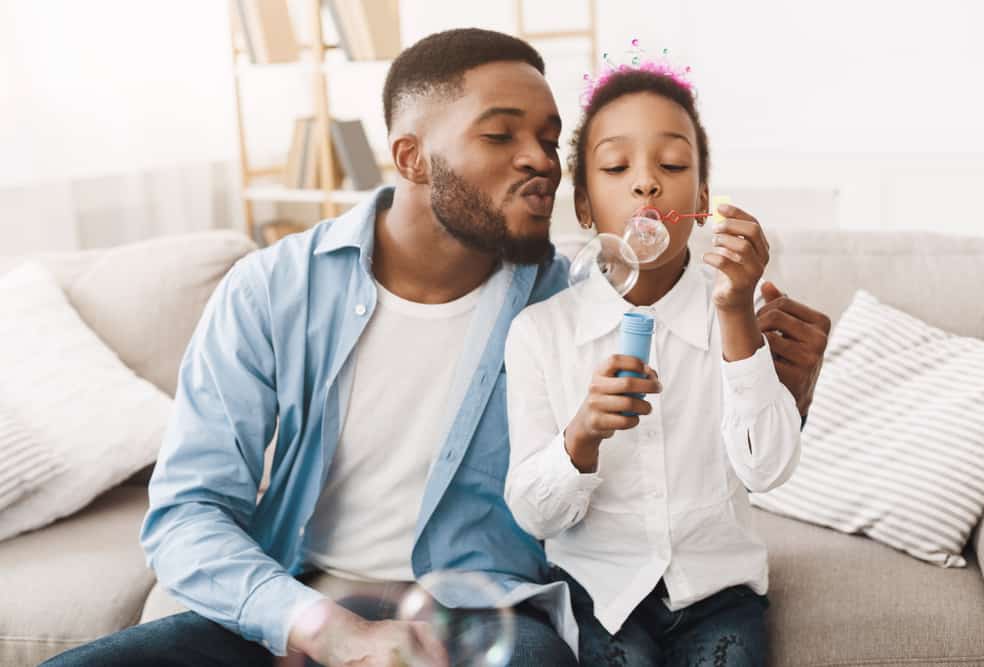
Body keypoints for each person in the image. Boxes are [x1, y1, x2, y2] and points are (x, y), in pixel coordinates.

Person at [43, 28, 831, 667]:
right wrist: (312, 624)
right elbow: (186, 513)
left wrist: (780, 377)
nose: (538, 159)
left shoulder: (574, 302)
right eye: (501, 134)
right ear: (413, 156)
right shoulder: (271, 291)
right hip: (302, 600)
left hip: (477, 617)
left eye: (550, 139)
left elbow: (693, 420)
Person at [503, 61, 811, 666]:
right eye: (618, 167)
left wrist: (736, 313)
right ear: (586, 206)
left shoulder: (735, 309)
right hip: (601, 595)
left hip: (719, 594)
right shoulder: (542, 332)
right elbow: (532, 513)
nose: (646, 183)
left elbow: (767, 469)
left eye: (671, 165)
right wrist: (581, 437)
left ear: (700, 201)